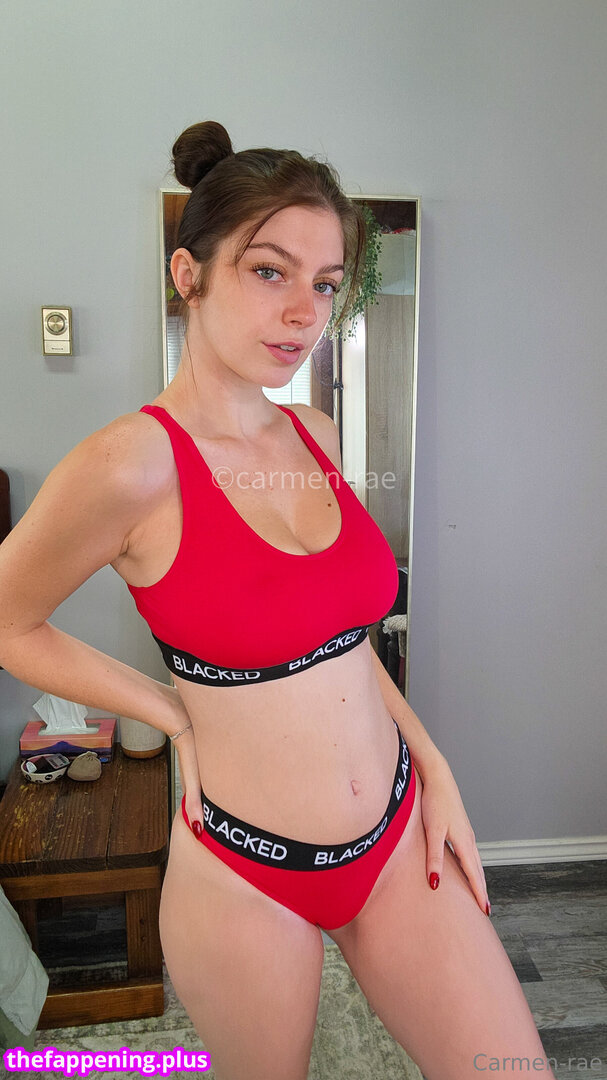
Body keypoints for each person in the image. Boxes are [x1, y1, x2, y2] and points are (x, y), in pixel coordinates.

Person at [0, 121, 555, 1080]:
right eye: (269, 271)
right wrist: (171, 715)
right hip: (245, 869)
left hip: (397, 834)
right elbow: (10, 619)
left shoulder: (315, 434)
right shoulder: (131, 465)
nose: (304, 312)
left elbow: (345, 644)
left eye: (326, 283)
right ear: (188, 274)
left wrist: (435, 766)